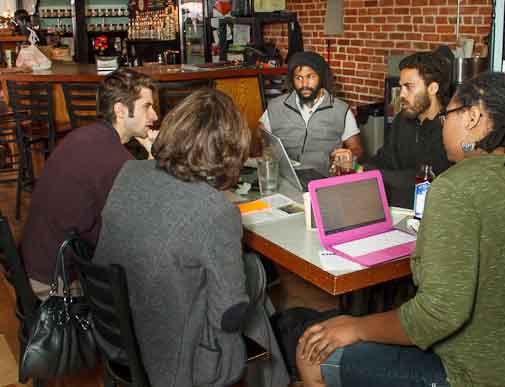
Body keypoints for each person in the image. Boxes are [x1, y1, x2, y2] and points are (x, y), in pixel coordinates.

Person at [296, 72, 505, 387]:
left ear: (472, 117)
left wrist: (356, 327)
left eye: (448, 115)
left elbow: (438, 315)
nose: (443, 124)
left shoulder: (456, 185)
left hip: (482, 375)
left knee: (311, 354)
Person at [93, 88, 289, 387]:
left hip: (115, 336)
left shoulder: (130, 172)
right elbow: (228, 314)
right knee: (251, 293)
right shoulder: (215, 210)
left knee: (252, 288)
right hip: (174, 362)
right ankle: (278, 379)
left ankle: (278, 376)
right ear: (229, 149)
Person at [21, 68, 158, 298]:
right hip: (58, 285)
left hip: (36, 264)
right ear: (121, 110)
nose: (154, 116)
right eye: (147, 106)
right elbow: (147, 221)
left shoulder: (85, 136)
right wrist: (154, 159)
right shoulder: (117, 160)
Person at [336, 51, 453, 208]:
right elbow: (385, 159)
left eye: (408, 87)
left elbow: (427, 179)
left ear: (432, 88)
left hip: (432, 214)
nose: (402, 95)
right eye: (401, 87)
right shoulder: (402, 120)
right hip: (395, 210)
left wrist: (367, 173)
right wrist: (354, 166)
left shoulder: (451, 128)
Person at [259, 51, 363, 174]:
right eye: (299, 78)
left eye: (311, 77)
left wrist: (350, 156)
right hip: (284, 177)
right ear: (292, 80)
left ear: (321, 78)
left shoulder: (341, 110)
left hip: (323, 178)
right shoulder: (275, 106)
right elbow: (259, 139)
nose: (304, 84)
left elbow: (356, 148)